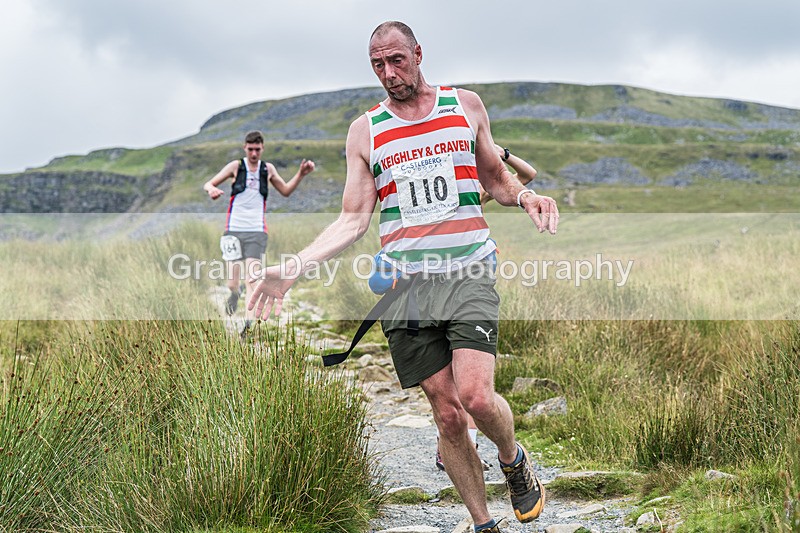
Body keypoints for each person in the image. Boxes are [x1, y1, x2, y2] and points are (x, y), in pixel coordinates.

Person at [248, 22, 558, 532]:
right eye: (378, 65)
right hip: (404, 288)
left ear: (417, 53)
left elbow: (496, 177)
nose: (389, 73)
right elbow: (352, 220)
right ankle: (483, 524)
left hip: (467, 272)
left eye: (397, 60)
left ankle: (512, 457)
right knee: (448, 414)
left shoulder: (465, 106)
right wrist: (292, 268)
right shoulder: (365, 131)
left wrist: (524, 196)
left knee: (477, 397)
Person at [203, 130, 315, 339]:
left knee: (252, 279)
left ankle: (247, 325)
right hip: (233, 230)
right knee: (232, 282)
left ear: (262, 148)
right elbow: (209, 183)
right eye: (250, 149)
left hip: (257, 231)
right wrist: (211, 190)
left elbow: (286, 191)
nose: (254, 153)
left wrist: (300, 174)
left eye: (257, 149)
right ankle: (234, 293)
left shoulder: (267, 169)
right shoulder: (236, 166)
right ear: (245, 148)